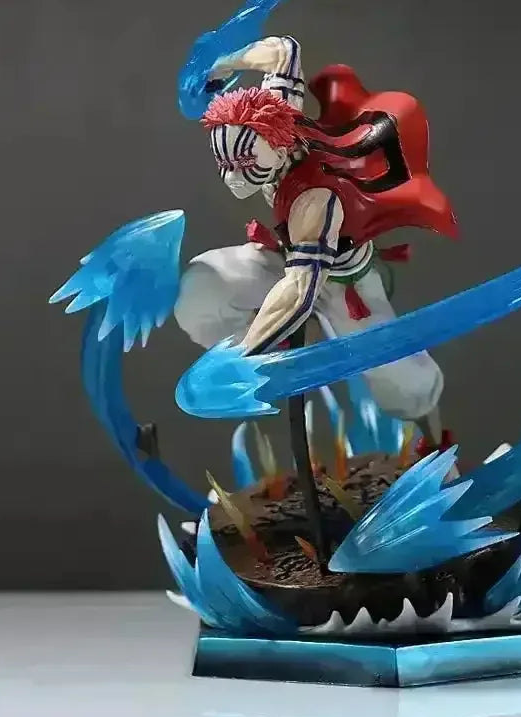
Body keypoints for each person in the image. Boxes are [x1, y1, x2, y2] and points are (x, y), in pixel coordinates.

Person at [174, 35, 457, 456]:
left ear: (277, 148)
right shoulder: (275, 114)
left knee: (408, 382)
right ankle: (269, 359)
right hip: (285, 256)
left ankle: (438, 452)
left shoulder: (313, 199)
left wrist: (245, 355)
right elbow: (283, 51)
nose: (233, 178)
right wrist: (223, 65)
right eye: (226, 165)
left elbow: (299, 290)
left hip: (344, 285)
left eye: (246, 164)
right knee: (200, 289)